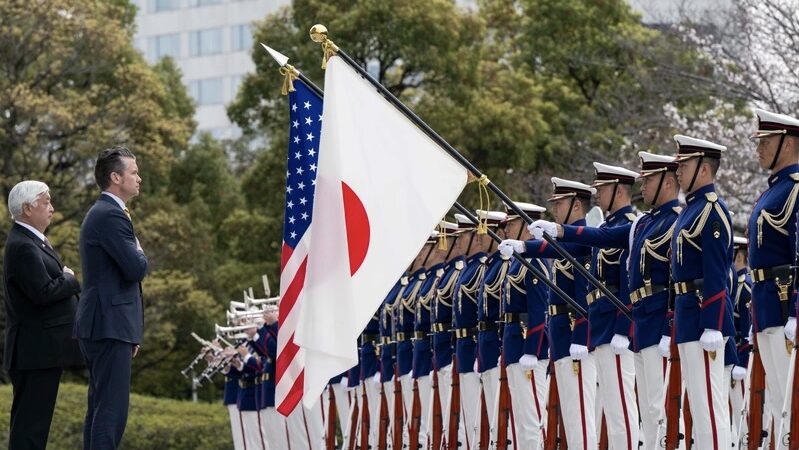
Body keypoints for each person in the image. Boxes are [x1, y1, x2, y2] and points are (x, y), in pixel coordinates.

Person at [74, 146, 148, 450]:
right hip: (109, 324)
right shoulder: (111, 215)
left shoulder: (105, 213)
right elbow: (136, 269)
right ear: (116, 177)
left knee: (100, 407)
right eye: (134, 172)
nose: (139, 178)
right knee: (111, 411)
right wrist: (139, 250)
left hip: (106, 323)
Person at [3, 180, 83, 450]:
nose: (52, 208)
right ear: (27, 208)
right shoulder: (24, 246)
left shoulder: (31, 240)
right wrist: (69, 278)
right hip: (35, 352)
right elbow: (43, 292)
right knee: (30, 429)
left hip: (41, 352)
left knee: (33, 427)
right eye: (46, 202)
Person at [671, 134, 734, 449]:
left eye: (684, 165)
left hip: (702, 317)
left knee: (710, 407)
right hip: (688, 314)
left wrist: (713, 323)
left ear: (704, 169)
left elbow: (716, 272)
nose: (678, 172)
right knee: (698, 405)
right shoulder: (690, 210)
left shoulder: (711, 210)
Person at [747, 109, 799, 449]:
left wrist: (796, 311)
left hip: (783, 304)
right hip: (766, 304)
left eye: (765, 142)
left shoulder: (794, 190)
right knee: (779, 403)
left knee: (790, 403)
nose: (759, 149)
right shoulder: (773, 191)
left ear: (788, 144)